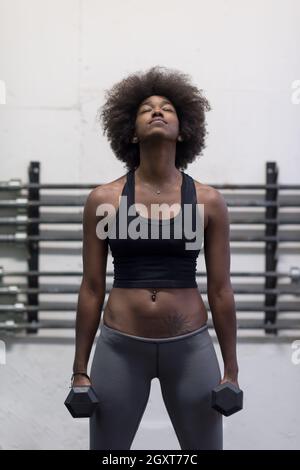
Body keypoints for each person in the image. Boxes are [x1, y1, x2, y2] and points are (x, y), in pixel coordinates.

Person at [71, 65, 239, 450]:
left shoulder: (209, 202)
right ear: (131, 131)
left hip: (190, 345)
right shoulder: (104, 200)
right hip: (120, 347)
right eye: (147, 108)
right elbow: (92, 288)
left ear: (184, 130)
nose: (158, 111)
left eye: (167, 108)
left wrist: (231, 369)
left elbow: (221, 290)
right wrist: (80, 371)